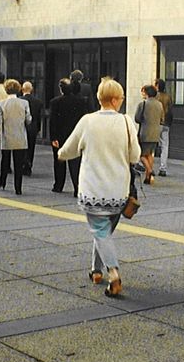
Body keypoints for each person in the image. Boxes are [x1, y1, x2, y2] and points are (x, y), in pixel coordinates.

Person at [57, 78, 141, 297]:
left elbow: (69, 149)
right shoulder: (126, 122)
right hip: (118, 192)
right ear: (114, 99)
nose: (122, 102)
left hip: (93, 191)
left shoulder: (88, 121)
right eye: (121, 98)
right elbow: (135, 156)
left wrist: (60, 154)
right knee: (104, 232)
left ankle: (113, 272)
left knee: (100, 232)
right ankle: (96, 270)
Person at [49, 77, 89, 196]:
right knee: (75, 162)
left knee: (59, 161)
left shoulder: (55, 102)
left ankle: (58, 185)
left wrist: (53, 137)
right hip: (76, 135)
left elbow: (53, 121)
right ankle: (77, 187)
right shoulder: (81, 101)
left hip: (60, 135)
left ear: (61, 89)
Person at [0, 79, 32, 195]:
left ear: (6, 90)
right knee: (18, 163)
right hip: (20, 136)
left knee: (5, 160)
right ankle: (18, 188)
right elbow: (28, 119)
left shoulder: (1, 104)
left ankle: (3, 182)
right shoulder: (24, 103)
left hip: (7, 136)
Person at [135, 84, 162, 185]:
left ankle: (149, 169)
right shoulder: (159, 104)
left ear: (146, 93)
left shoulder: (143, 104)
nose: (142, 93)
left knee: (141, 154)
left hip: (145, 132)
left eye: (143, 91)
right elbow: (162, 118)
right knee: (150, 154)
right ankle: (147, 177)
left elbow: (137, 118)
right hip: (156, 132)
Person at [21, 81, 45, 175]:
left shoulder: (20, 100)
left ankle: (23, 164)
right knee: (31, 148)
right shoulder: (38, 102)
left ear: (22, 89)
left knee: (22, 148)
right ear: (32, 89)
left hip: (22, 127)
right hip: (33, 127)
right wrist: (38, 128)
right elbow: (38, 117)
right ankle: (29, 164)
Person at [154, 78, 173, 176]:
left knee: (152, 145)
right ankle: (163, 168)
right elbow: (170, 111)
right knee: (165, 146)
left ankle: (149, 166)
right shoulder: (168, 97)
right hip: (166, 124)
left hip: (156, 123)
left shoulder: (155, 97)